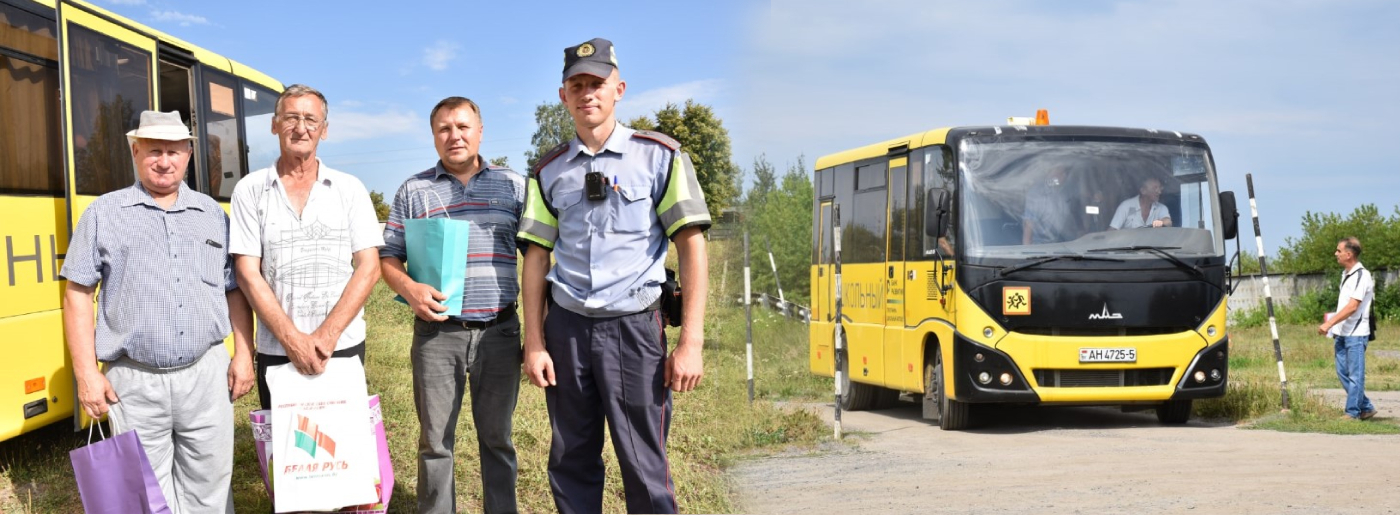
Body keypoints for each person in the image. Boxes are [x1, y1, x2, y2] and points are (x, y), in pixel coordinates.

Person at [518, 37, 711, 514]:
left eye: (597, 83)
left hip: (634, 331)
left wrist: (691, 342)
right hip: (567, 331)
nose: (588, 93)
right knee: (570, 461)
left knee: (645, 464)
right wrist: (535, 342)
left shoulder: (660, 157)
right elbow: (537, 259)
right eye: (577, 84)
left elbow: (692, 245)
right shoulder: (547, 172)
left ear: (618, 88)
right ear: (563, 95)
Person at [61, 110, 255, 513]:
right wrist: (85, 374)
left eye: (173, 151)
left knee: (211, 488)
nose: (164, 161)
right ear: (135, 151)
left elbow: (235, 289)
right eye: (153, 151)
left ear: (188, 154)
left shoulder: (213, 216)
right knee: (144, 497)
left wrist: (244, 354)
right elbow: (77, 293)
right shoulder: (103, 214)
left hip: (207, 375)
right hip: (134, 381)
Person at [379, 97, 525, 513]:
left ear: (480, 131)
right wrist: (409, 288)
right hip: (437, 333)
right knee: (435, 441)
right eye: (444, 128)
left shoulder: (513, 186)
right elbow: (388, 257)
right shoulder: (414, 190)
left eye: (462, 126)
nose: (454, 135)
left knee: (498, 438)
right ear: (433, 136)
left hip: (499, 331)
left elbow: (536, 256)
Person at [229, 84, 383, 410]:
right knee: (285, 454)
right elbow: (246, 273)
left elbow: (369, 267)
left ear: (324, 130)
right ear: (274, 125)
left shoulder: (349, 189)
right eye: (291, 118)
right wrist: (291, 339)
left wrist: (328, 335)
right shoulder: (249, 190)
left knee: (342, 449)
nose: (301, 128)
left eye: (311, 120)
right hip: (276, 348)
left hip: (341, 345)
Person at [1317, 237, 1378, 421]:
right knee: (1342, 372)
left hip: (1356, 334)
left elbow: (1353, 306)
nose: (1336, 254)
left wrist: (1329, 323)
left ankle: (1352, 413)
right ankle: (1366, 407)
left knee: (1355, 375)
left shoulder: (1362, 275)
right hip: (1342, 333)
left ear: (1349, 254)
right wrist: (1335, 328)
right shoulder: (1346, 274)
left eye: (1338, 250)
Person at [1021, 165, 1075, 244]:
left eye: (1065, 172)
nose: (1064, 175)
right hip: (1041, 248)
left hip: (1062, 245)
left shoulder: (1065, 192)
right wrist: (1028, 250)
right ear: (1049, 172)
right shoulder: (1037, 192)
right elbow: (1029, 225)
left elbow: (1068, 221)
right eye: (1059, 170)